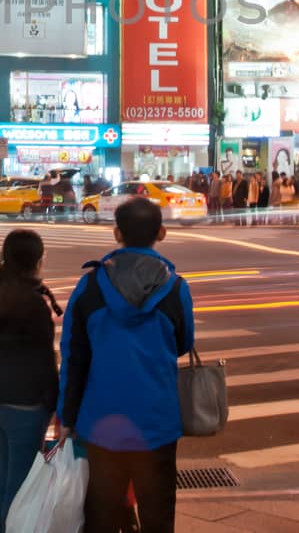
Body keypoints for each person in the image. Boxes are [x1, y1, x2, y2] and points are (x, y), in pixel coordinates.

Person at [59, 196, 194, 531]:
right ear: (161, 233)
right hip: (156, 424)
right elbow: (183, 344)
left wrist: (66, 417)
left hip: (101, 425)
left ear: (116, 233)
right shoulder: (176, 289)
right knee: (158, 518)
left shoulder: (90, 286)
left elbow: (73, 356)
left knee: (101, 517)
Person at [0, 229, 62, 533]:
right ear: (37, 259)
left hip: (0, 397)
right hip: (26, 404)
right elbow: (45, 361)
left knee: (7, 476)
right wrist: (58, 404)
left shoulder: (1, 291)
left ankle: (3, 526)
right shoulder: (32, 304)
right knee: (20, 483)